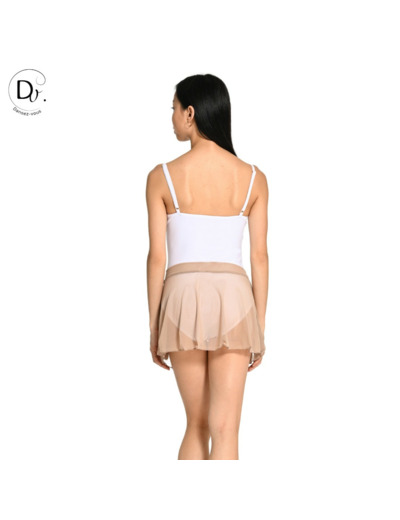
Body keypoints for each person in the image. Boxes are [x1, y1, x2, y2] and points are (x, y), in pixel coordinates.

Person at [146, 74, 269, 460]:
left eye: (173, 108)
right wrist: (259, 326)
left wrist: (154, 326)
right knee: (226, 429)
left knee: (196, 424)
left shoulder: (161, 177)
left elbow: (157, 258)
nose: (171, 117)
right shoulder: (253, 178)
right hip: (234, 299)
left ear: (190, 113)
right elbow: (260, 257)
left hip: (181, 297)